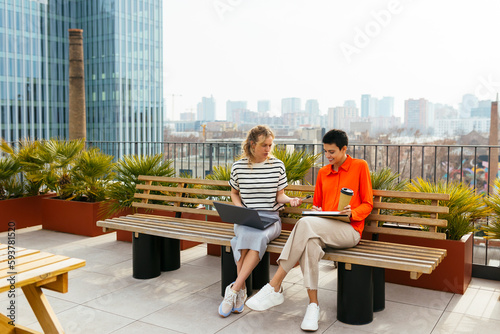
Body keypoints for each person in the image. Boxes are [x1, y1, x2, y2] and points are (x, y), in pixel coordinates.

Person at [245, 129, 373, 331]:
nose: (328, 156)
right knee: (310, 245)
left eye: (332, 152)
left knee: (304, 225)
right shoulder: (323, 173)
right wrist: (316, 210)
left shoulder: (360, 167)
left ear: (344, 149)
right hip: (322, 229)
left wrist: (353, 212)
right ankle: (313, 306)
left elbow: (368, 203)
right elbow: (317, 205)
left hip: (349, 231)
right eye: (325, 152)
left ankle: (275, 284)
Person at [218, 125, 303, 317]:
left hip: (270, 220)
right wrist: (240, 210)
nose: (268, 150)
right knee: (246, 235)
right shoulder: (238, 166)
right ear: (252, 144)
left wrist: (290, 200)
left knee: (253, 238)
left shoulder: (277, 166)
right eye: (264, 145)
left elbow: (280, 196)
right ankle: (240, 293)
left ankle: (234, 290)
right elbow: (234, 193)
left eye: (270, 145)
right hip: (246, 218)